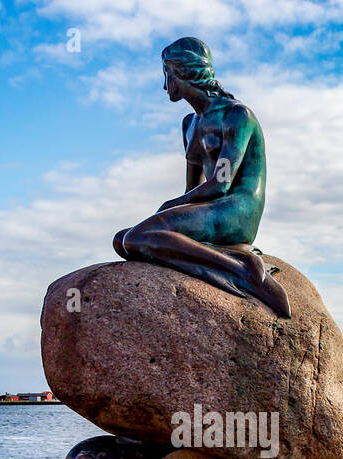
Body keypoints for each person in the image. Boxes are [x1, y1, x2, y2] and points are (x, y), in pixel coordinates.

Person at [112, 37, 289, 318]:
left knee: (138, 237)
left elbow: (221, 183)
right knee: (122, 240)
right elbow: (190, 190)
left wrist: (166, 208)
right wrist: (171, 208)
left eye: (166, 75)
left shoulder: (236, 115)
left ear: (182, 72)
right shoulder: (189, 124)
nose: (164, 84)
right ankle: (228, 259)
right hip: (211, 209)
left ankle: (243, 270)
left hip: (236, 210)